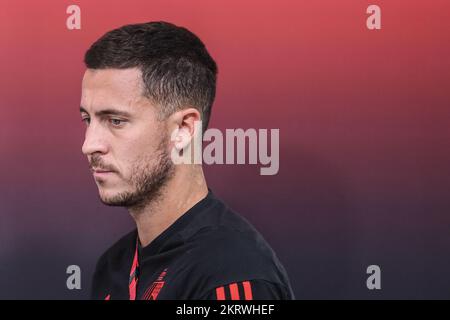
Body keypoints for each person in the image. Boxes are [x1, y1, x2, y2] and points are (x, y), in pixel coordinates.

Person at [80, 21, 294, 300]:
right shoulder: (112, 267)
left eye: (116, 121)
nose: (89, 145)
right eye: (87, 119)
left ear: (184, 129)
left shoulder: (232, 275)